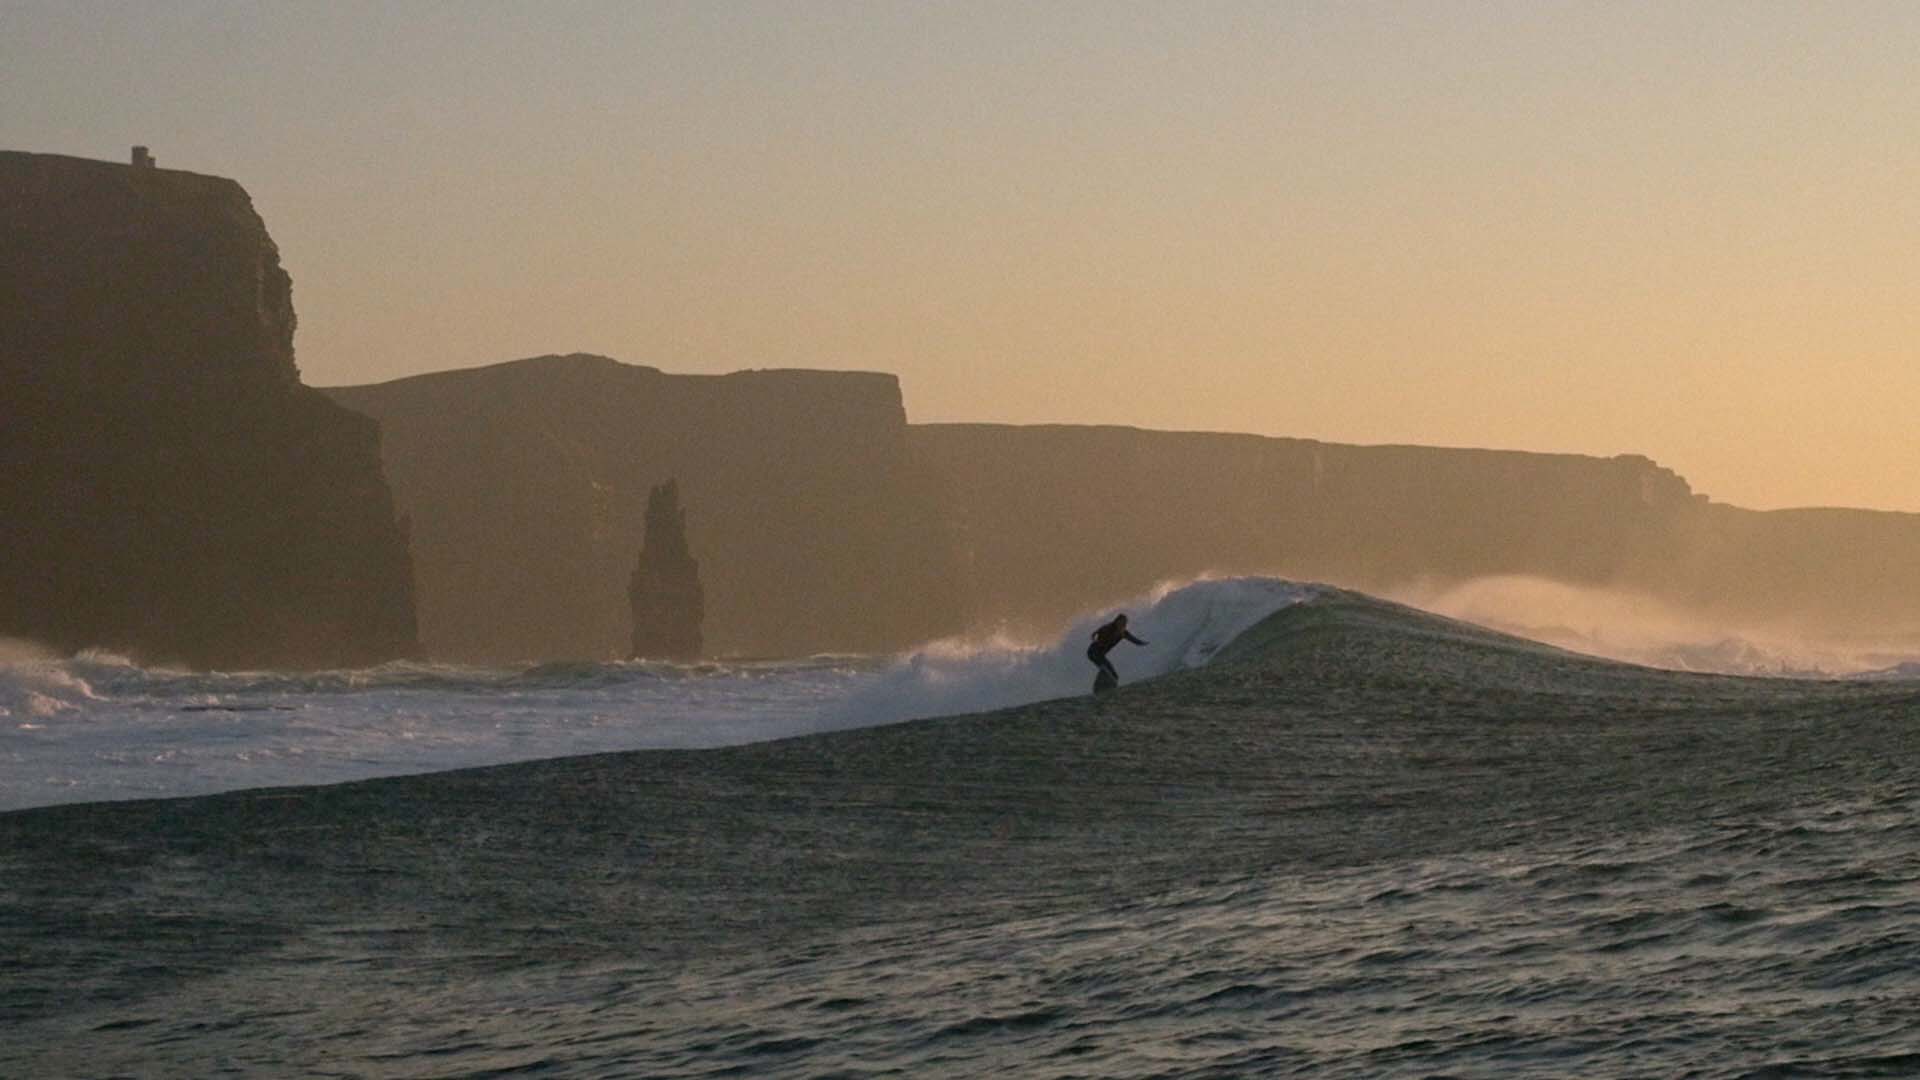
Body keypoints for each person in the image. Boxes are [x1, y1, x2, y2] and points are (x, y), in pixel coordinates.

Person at [1088, 613, 1148, 687]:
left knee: (1114, 675)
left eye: (1124, 623)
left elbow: (1135, 641)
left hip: (1100, 655)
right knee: (1106, 669)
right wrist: (1096, 640)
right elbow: (1094, 633)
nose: (1122, 624)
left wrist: (1145, 644)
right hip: (1093, 652)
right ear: (1116, 621)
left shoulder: (1123, 633)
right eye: (1121, 622)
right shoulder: (1108, 628)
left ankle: (1108, 686)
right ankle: (1104, 682)